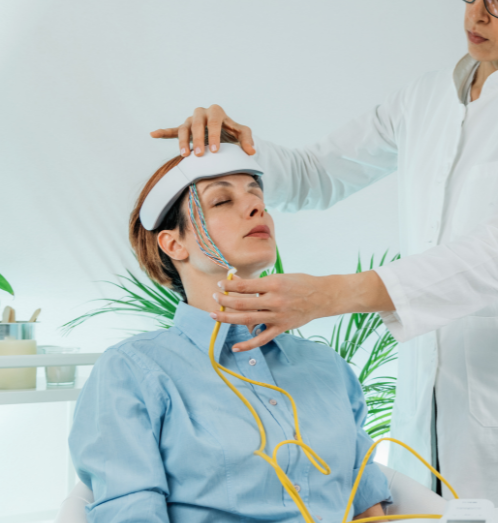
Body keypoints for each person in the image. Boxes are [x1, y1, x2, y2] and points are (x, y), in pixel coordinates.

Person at [149, 0, 498, 506]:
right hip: (426, 411)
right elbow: (317, 175)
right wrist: (233, 145)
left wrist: (333, 295)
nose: (475, 12)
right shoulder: (425, 99)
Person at [69, 143, 392, 521]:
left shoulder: (328, 367)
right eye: (222, 201)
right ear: (173, 243)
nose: (257, 208)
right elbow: (131, 512)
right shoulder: (132, 370)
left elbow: (369, 507)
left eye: (258, 197)